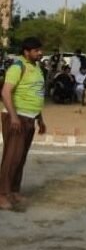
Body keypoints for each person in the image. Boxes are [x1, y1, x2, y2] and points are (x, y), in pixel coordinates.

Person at [0, 37, 46, 210]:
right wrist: (13, 117)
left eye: (40, 50)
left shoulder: (37, 68)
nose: (40, 53)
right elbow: (5, 92)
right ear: (26, 52)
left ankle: (13, 190)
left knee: (20, 157)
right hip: (17, 117)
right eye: (36, 50)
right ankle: (2, 194)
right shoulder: (17, 67)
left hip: (30, 117)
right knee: (12, 157)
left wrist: (40, 119)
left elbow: (36, 93)